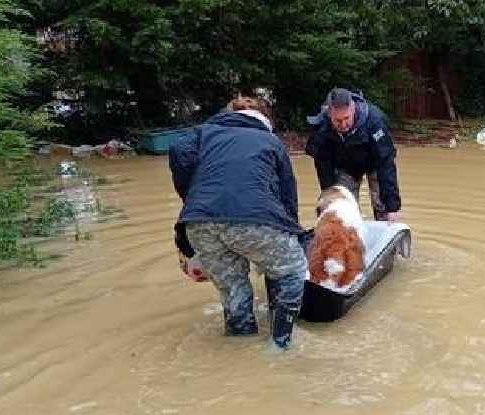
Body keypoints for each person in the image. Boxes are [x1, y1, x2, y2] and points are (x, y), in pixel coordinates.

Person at [169, 96, 307, 349]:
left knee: (233, 288)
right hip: (252, 217)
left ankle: (239, 345)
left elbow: (178, 150)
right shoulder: (270, 141)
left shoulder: (203, 133)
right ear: (264, 120)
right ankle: (280, 345)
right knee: (293, 270)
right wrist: (293, 235)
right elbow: (287, 194)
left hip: (199, 223)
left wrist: (192, 197)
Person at [305, 88, 402, 221]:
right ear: (329, 113)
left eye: (346, 118)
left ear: (353, 109)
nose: (343, 124)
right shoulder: (321, 128)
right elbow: (323, 167)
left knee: (383, 206)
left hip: (375, 164)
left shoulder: (374, 121)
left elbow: (386, 163)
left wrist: (393, 207)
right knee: (343, 209)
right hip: (346, 167)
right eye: (337, 121)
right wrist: (331, 198)